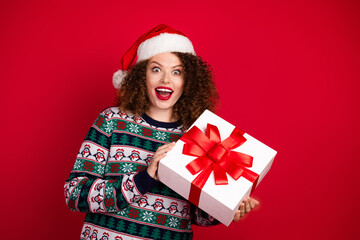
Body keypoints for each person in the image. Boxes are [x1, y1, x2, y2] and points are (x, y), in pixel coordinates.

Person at [64, 24, 259, 240]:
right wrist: (144, 179)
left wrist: (228, 205)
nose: (166, 80)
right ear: (141, 75)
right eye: (156, 69)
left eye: (177, 72)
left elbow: (194, 216)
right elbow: (75, 194)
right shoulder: (112, 120)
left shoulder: (199, 137)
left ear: (189, 81)